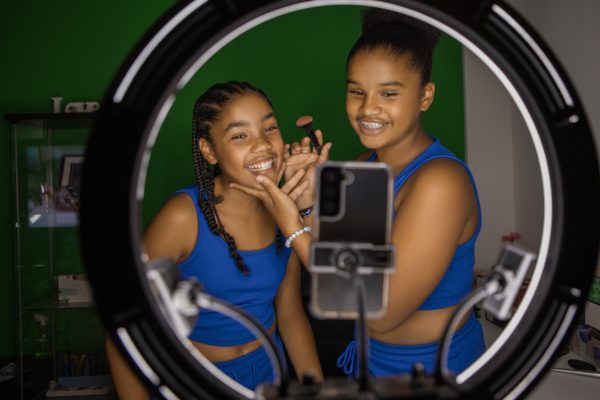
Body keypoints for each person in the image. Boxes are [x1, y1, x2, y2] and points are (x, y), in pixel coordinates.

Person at [233, 8, 485, 378]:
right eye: (357, 91)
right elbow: (346, 276)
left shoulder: (440, 182)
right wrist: (306, 203)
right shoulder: (365, 163)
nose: (368, 108)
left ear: (425, 96)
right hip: (370, 361)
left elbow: (379, 313)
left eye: (389, 93)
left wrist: (290, 226)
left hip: (434, 370)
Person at [106, 81, 324, 398]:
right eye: (239, 135)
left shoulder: (284, 213)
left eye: (270, 128)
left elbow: (289, 313)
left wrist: (317, 389)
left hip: (269, 377)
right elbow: (124, 323)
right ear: (209, 150)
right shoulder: (183, 216)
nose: (263, 144)